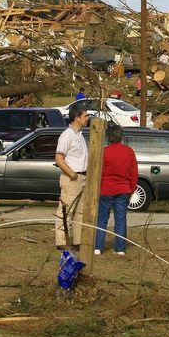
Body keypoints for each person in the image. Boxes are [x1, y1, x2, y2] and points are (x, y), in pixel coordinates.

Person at [94, 125, 138, 256]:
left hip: (106, 189)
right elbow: (134, 173)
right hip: (123, 189)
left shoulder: (104, 151)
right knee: (120, 219)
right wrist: (132, 189)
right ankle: (120, 248)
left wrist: (98, 189)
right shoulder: (129, 151)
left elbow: (99, 172)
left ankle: (98, 247)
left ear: (108, 137)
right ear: (121, 136)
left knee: (102, 219)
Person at [54, 104, 90, 250]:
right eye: (85, 116)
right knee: (65, 210)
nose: (87, 118)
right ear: (77, 118)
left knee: (79, 212)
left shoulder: (80, 134)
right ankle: (61, 241)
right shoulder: (67, 135)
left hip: (83, 177)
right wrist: (72, 174)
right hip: (72, 178)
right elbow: (59, 158)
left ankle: (77, 241)